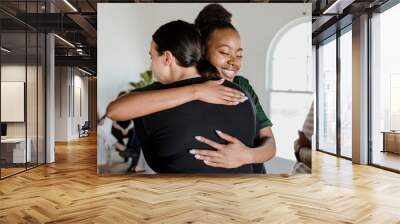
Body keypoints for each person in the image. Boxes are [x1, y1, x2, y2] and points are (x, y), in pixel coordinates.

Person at [107, 4, 276, 173]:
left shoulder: (242, 88)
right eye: (224, 53)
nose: (234, 62)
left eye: (239, 55)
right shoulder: (163, 90)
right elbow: (116, 110)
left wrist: (247, 156)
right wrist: (196, 91)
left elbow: (269, 143)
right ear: (201, 52)